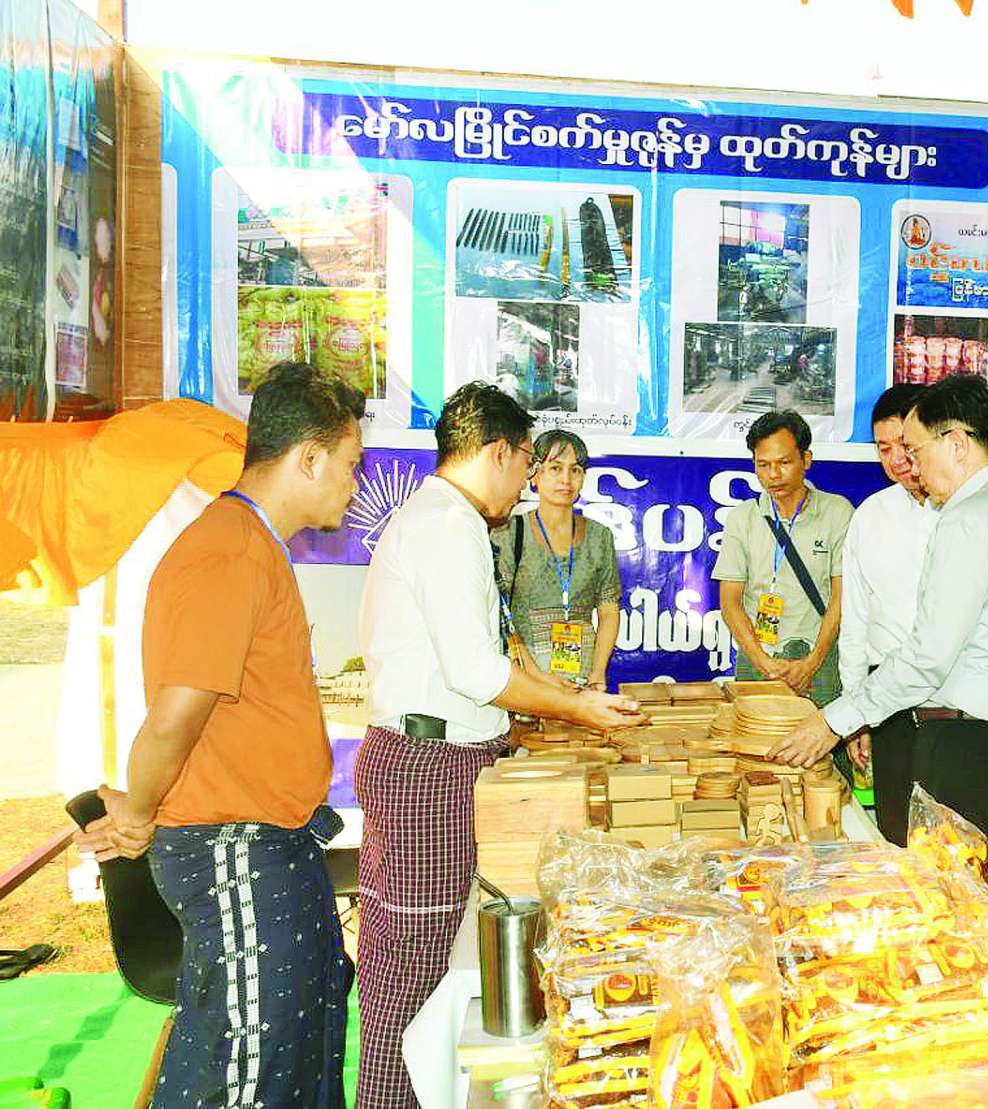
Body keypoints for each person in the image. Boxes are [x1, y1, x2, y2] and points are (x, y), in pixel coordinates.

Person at [77, 361, 366, 1108]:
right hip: (237, 853)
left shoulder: (252, 544)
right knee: (246, 1077)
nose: (355, 482)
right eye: (350, 463)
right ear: (309, 458)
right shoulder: (229, 548)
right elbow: (175, 717)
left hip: (272, 846)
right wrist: (138, 811)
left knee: (296, 1062)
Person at [355, 384, 644, 1108]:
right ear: (497, 453)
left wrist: (552, 700)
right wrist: (576, 706)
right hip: (428, 769)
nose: (527, 483)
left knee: (432, 962)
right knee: (413, 972)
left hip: (446, 759)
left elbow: (484, 660)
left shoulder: (447, 521)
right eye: (526, 463)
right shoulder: (447, 527)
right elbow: (477, 673)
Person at [769, 376, 988, 907]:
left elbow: (927, 658)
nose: (914, 468)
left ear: (958, 443)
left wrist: (834, 721)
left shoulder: (970, 518)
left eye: (918, 451)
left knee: (951, 906)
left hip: (963, 751)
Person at [838, 383, 936, 843]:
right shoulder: (870, 515)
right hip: (887, 699)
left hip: (955, 701)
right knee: (896, 829)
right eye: (883, 448)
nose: (897, 459)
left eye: (904, 444)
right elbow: (855, 619)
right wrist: (856, 710)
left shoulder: (967, 511)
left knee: (955, 840)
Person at [713, 410, 854, 707]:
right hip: (758, 658)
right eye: (763, 465)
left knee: (820, 736)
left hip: (820, 658)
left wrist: (811, 663)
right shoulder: (742, 518)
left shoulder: (838, 512)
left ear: (806, 459)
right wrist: (764, 663)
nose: (773, 475)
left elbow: (842, 597)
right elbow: (730, 602)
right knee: (754, 736)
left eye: (784, 463)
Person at [494, 430, 622, 690]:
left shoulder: (599, 536)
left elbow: (608, 610)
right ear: (534, 475)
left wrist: (598, 674)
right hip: (524, 678)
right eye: (555, 468)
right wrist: (535, 676)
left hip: (583, 678)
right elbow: (498, 613)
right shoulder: (510, 533)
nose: (566, 479)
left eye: (575, 470)